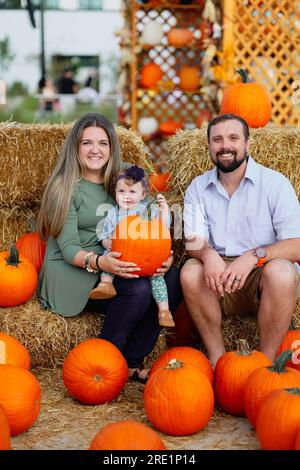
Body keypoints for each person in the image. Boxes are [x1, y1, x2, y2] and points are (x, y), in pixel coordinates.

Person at [37, 113, 181, 383]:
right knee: (137, 289)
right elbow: (69, 249)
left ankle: (131, 362)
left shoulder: (124, 176)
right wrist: (102, 263)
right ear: (75, 148)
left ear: (112, 147)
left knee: (173, 279)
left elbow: (151, 221)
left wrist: (164, 255)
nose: (95, 150)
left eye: (103, 143)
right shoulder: (64, 186)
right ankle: (100, 365)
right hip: (78, 267)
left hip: (121, 256)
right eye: (87, 143)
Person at [181, 113, 300, 368]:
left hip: (261, 274)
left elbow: (296, 243)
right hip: (218, 280)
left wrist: (254, 256)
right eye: (218, 139)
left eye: (233, 138)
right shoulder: (198, 187)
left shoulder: (275, 184)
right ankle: (219, 362)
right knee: (190, 273)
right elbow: (193, 240)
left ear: (247, 143)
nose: (225, 146)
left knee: (282, 272)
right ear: (209, 146)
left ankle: (266, 366)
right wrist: (208, 254)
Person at [89, 164, 175, 328]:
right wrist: (106, 242)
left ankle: (164, 310)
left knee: (157, 277)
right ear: (115, 193)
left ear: (143, 194)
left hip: (147, 256)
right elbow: (104, 231)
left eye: (132, 192)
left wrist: (164, 210)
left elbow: (162, 228)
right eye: (121, 191)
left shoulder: (148, 210)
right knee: (108, 256)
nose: (126, 196)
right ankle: (106, 284)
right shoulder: (113, 212)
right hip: (121, 256)